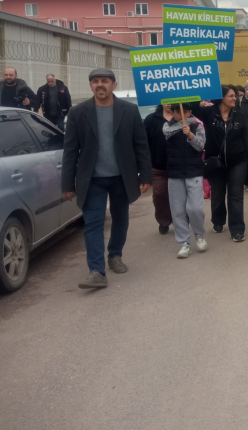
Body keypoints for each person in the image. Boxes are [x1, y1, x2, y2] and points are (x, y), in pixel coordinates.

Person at [61, 68, 152, 289]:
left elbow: (141, 145)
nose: (100, 84)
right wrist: (67, 182)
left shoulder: (129, 110)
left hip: (122, 177)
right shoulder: (78, 112)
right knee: (93, 223)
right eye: (95, 81)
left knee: (120, 218)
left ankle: (115, 255)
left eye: (104, 81)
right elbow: (70, 150)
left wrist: (145, 175)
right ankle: (96, 271)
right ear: (90, 86)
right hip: (92, 179)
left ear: (114, 85)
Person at [193, 85, 248, 242]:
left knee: (236, 195)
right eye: (231, 96)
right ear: (221, 98)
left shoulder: (239, 116)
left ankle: (237, 229)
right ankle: (218, 221)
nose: (234, 98)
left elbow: (246, 139)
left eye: (235, 96)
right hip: (215, 162)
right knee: (218, 194)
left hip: (237, 162)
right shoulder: (208, 113)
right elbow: (192, 106)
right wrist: (202, 89)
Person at [163, 103, 208, 258]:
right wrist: (183, 127)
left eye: (185, 111)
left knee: (195, 208)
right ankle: (184, 243)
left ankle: (199, 234)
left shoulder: (197, 126)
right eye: (177, 111)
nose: (181, 114)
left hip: (194, 171)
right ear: (173, 112)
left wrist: (190, 135)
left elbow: (201, 146)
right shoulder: (167, 126)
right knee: (178, 210)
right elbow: (166, 135)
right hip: (174, 173)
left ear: (190, 112)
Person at [143, 104, 174, 234]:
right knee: (159, 194)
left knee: (180, 196)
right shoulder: (151, 119)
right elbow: (143, 143)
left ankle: (181, 220)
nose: (168, 103)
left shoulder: (183, 117)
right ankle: (164, 220)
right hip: (158, 167)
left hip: (179, 167)